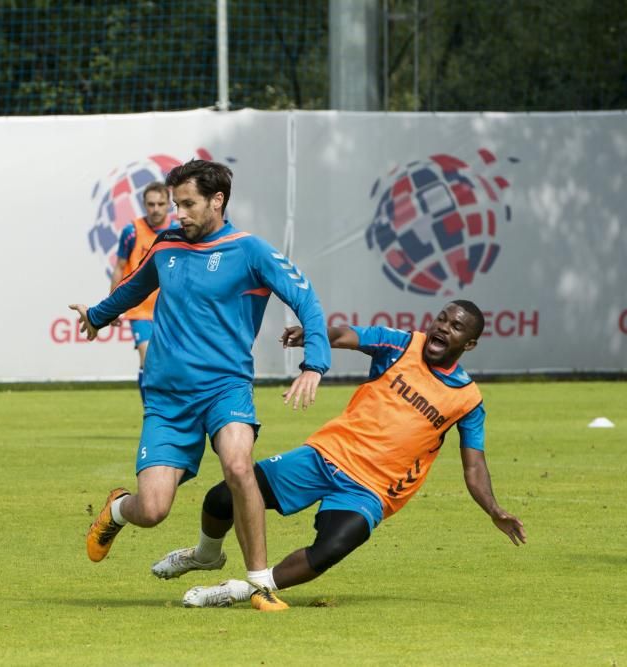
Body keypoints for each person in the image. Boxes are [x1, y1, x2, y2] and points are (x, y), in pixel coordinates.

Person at [70, 159, 331, 611]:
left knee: (238, 466)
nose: (179, 214)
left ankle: (258, 583)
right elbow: (134, 287)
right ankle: (116, 509)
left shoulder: (250, 251)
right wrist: (97, 316)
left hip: (225, 388)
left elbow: (305, 296)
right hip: (167, 398)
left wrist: (314, 364)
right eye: (176, 204)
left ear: (217, 200)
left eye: (188, 204)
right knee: (151, 510)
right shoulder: (167, 244)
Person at [151, 300, 527, 611]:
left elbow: (474, 465)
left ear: (470, 344)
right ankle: (205, 554)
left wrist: (494, 509)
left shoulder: (468, 399)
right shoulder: (401, 344)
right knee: (222, 497)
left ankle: (242, 589)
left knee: (330, 549)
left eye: (457, 327)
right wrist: (314, 338)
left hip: (371, 490)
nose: (444, 328)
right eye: (442, 318)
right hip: (325, 455)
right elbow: (346, 335)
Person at [108, 181, 174, 400]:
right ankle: (150, 410)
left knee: (172, 364)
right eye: (151, 204)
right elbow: (119, 268)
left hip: (170, 310)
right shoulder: (131, 231)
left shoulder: (177, 231)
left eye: (160, 204)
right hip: (140, 310)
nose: (155, 209)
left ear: (168, 205)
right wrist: (112, 306)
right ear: (144, 204)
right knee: (148, 358)